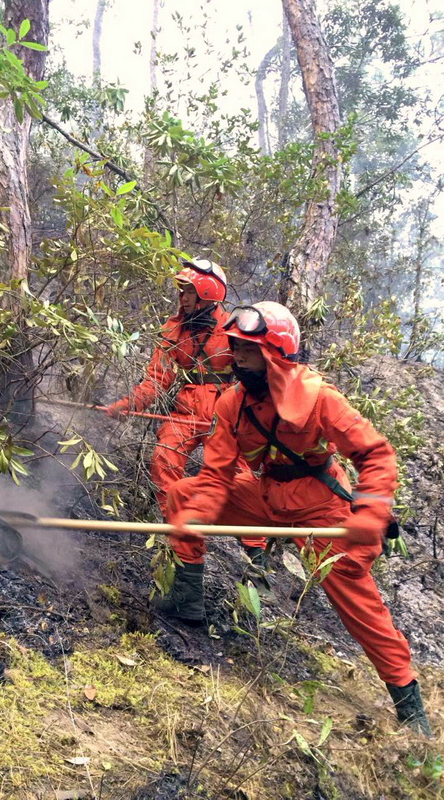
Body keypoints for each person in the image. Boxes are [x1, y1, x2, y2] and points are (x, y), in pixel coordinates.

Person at [160, 301, 432, 737]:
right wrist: (197, 514)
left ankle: (408, 700)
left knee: (357, 602)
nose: (236, 354)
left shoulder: (320, 397)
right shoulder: (233, 403)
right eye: (235, 346)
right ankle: (188, 595)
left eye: (247, 348)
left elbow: (375, 454)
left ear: (275, 353)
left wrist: (370, 510)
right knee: (182, 493)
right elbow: (216, 475)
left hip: (320, 507)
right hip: (265, 496)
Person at [105, 259, 233, 517]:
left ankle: (255, 548)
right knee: (164, 460)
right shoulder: (174, 329)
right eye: (181, 291)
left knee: (236, 478)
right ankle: (175, 528)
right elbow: (156, 379)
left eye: (188, 292)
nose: (182, 298)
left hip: (225, 415)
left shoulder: (234, 328)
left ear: (207, 293)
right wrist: (129, 404)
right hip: (185, 412)